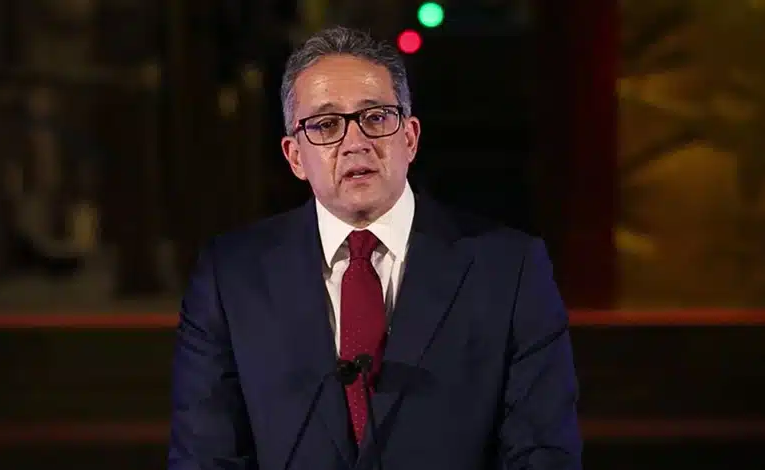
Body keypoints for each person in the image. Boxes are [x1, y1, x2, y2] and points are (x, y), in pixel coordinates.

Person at [168, 26, 582, 470]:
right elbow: (204, 456)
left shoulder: (509, 270)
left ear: (410, 137)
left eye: (376, 117)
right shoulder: (231, 278)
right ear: (294, 156)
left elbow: (543, 453)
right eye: (326, 125)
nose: (355, 143)